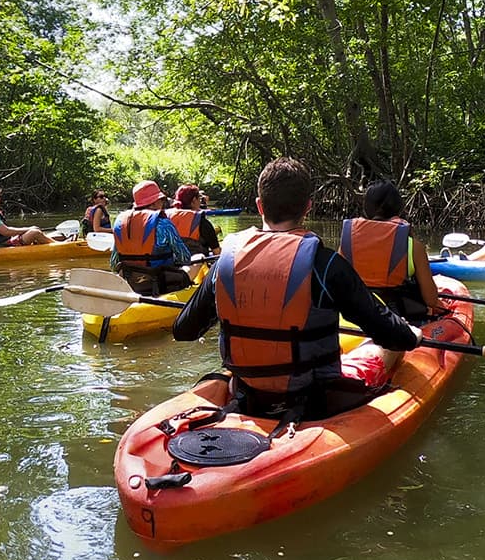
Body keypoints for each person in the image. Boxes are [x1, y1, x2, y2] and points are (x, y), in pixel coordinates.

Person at [173, 157, 418, 420]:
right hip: (317, 398)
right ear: (307, 208)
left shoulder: (225, 264)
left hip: (248, 394)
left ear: (259, 205)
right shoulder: (326, 265)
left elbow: (184, 330)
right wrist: (411, 334)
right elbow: (388, 333)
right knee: (392, 345)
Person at [339, 179, 445, 365]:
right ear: (398, 209)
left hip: (353, 318)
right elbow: (430, 300)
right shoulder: (413, 246)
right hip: (394, 321)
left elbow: (336, 288)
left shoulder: (347, 242)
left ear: (367, 208)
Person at [111, 180, 195, 292]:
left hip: (131, 284)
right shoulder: (164, 224)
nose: (162, 204)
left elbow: (113, 265)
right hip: (162, 283)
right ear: (154, 203)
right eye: (161, 200)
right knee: (198, 259)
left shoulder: (121, 224)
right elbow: (185, 258)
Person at [0, 183, 53, 248]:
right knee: (35, 233)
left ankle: (51, 242)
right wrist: (29, 228)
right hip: (0, 245)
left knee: (48, 235)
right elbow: (6, 232)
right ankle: (59, 245)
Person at [166, 184, 221, 254]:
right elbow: (217, 252)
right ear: (194, 200)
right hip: (195, 261)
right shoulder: (201, 222)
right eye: (199, 198)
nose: (200, 201)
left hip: (169, 261)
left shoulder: (166, 216)